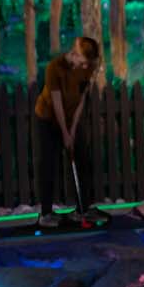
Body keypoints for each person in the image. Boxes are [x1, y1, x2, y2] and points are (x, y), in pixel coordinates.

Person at [35, 36, 101, 229]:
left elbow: (81, 100)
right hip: (48, 117)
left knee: (83, 159)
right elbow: (56, 103)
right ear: (76, 54)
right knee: (48, 163)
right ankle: (46, 213)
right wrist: (65, 133)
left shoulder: (86, 68)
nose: (86, 66)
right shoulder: (54, 68)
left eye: (88, 63)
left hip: (71, 117)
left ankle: (83, 208)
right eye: (84, 61)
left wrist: (72, 130)